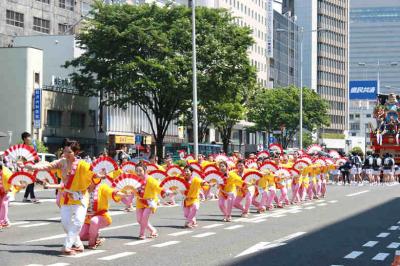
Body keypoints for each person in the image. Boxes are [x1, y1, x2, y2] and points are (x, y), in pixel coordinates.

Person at [23, 139, 103, 255]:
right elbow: (48, 166)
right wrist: (33, 167)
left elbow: (93, 173)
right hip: (66, 197)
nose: (66, 154)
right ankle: (79, 245)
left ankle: (66, 246)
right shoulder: (62, 162)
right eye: (65, 151)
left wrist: (99, 175)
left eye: (69, 152)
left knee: (78, 222)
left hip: (80, 197)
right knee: (65, 224)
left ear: (76, 152)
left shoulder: (83, 164)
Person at [79, 179, 132, 249]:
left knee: (94, 221)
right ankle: (96, 237)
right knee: (81, 236)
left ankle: (92, 243)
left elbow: (111, 191)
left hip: (102, 216)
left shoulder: (102, 187)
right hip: (87, 218)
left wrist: (123, 194)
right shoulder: (83, 188)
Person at [134, 162, 163, 240]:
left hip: (150, 201)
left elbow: (158, 188)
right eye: (136, 171)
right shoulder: (135, 180)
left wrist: (165, 192)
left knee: (144, 218)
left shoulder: (150, 179)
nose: (138, 173)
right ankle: (153, 230)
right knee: (139, 219)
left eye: (140, 171)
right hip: (140, 201)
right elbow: (132, 189)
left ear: (145, 170)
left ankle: (141, 234)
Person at [21, 132, 39, 203]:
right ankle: (32, 197)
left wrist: (36, 158)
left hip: (31, 165)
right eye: (29, 137)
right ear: (25, 139)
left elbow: (34, 156)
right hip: (26, 166)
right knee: (31, 181)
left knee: (30, 181)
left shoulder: (30, 147)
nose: (30, 138)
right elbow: (22, 158)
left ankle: (25, 197)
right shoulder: (22, 147)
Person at [0, 163, 14, 228]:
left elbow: (11, 180)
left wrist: (10, 188)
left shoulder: (6, 172)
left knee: (4, 204)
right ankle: (5, 221)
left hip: (6, 189)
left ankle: (3, 221)